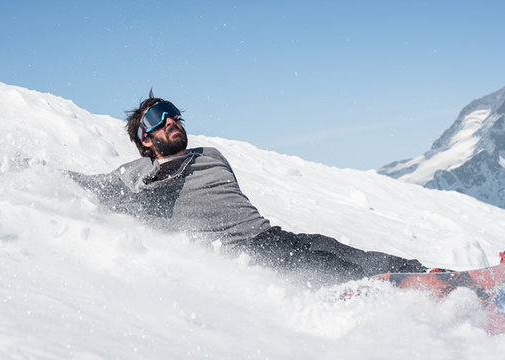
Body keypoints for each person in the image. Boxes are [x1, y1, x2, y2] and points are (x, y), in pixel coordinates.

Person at [67, 92, 441, 286]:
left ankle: (433, 274)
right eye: (157, 119)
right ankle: (405, 296)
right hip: (244, 252)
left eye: (173, 113)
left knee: (347, 250)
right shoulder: (140, 175)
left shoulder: (210, 155)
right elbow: (102, 190)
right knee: (330, 266)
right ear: (145, 139)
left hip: (270, 235)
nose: (171, 121)